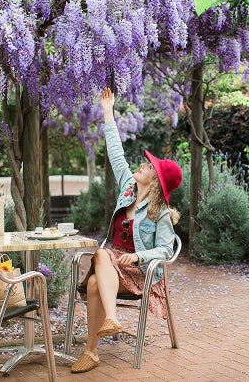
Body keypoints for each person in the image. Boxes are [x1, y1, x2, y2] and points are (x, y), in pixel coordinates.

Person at [70, 87, 182, 373]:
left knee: (98, 266)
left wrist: (138, 257)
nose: (142, 164)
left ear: (155, 182)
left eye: (148, 166)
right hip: (113, 263)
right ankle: (110, 322)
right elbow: (116, 154)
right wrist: (107, 110)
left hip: (139, 272)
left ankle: (93, 348)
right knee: (100, 262)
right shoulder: (128, 189)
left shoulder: (161, 214)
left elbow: (167, 250)